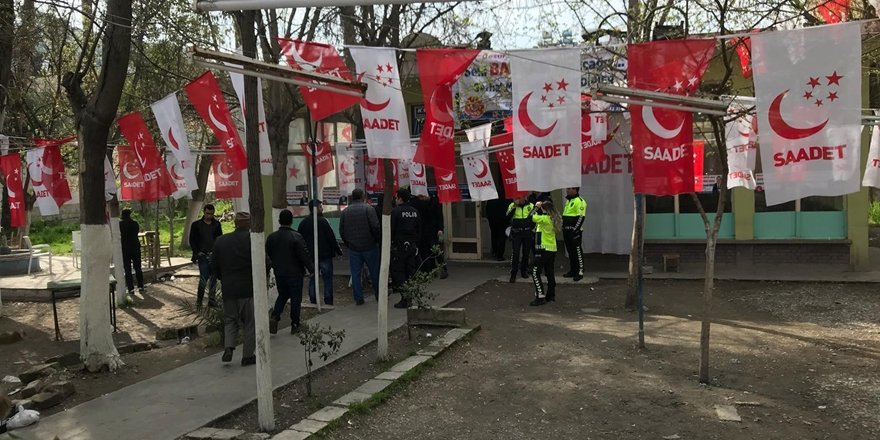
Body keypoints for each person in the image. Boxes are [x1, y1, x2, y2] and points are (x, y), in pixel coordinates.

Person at [211, 212, 256, 366]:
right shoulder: (253, 239)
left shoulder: (221, 241)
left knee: (230, 320)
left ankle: (229, 347)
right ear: (249, 224)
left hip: (228, 289)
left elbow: (214, 266)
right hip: (248, 289)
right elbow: (265, 262)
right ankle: (248, 356)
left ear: (235, 223)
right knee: (250, 323)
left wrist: (224, 279)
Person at [267, 209, 313, 334]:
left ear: (279, 221)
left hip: (279, 273)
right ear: (292, 221)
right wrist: (311, 269)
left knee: (282, 295)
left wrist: (273, 265)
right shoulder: (296, 236)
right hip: (295, 273)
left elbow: (269, 254)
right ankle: (295, 323)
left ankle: (275, 316)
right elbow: (304, 255)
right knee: (295, 298)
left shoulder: (271, 237)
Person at [339, 188, 381, 305]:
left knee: (355, 273)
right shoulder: (369, 209)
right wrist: (376, 240)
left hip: (354, 248)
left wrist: (348, 243)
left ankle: (358, 298)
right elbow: (375, 227)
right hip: (370, 246)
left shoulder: (345, 212)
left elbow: (342, 230)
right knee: (374, 272)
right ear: (363, 196)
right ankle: (379, 294)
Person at [298, 200, 342, 306]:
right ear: (316, 208)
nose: (322, 209)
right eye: (320, 207)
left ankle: (313, 298)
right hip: (325, 255)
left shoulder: (303, 223)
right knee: (327, 279)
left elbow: (300, 239)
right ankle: (328, 300)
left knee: (313, 277)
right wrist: (338, 251)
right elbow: (331, 238)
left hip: (310, 256)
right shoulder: (324, 221)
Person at [391, 187, 422, 309]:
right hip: (412, 247)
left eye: (396, 197)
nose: (395, 200)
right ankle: (410, 296)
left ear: (400, 198)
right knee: (410, 271)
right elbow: (419, 229)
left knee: (399, 272)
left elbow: (392, 229)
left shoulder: (395, 212)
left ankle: (405, 298)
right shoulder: (415, 212)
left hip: (399, 247)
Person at [190, 204, 223, 308]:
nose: (209, 216)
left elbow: (219, 238)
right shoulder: (196, 225)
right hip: (202, 255)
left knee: (213, 278)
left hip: (213, 255)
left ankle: (211, 301)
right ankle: (199, 300)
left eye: (211, 214)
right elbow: (192, 240)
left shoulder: (216, 224)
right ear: (204, 212)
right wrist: (197, 252)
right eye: (207, 213)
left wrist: (217, 252)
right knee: (204, 277)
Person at [529, 200, 562, 306]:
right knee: (549, 272)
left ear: (543, 209)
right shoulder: (553, 219)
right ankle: (551, 295)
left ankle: (540, 296)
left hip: (542, 249)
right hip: (551, 249)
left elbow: (529, 217)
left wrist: (536, 207)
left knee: (535, 272)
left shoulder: (543, 219)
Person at [410, 193, 447, 278]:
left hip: (433, 230)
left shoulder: (434, 201)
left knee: (435, 250)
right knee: (426, 251)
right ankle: (431, 270)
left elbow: (439, 216)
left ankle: (443, 269)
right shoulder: (418, 202)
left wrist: (440, 228)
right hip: (423, 230)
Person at [507, 196, 534, 283]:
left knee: (526, 253)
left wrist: (532, 230)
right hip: (516, 232)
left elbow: (534, 218)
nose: (519, 199)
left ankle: (523, 271)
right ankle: (513, 274)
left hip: (527, 232)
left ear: (524, 197)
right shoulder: (512, 205)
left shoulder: (530, 205)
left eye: (521, 197)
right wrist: (514, 206)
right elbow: (508, 216)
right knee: (516, 253)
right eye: (517, 198)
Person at [562, 187, 587, 281]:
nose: (567, 190)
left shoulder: (579, 201)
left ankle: (580, 271)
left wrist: (575, 231)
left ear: (575, 190)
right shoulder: (568, 201)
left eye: (570, 189)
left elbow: (581, 217)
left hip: (574, 232)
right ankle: (573, 270)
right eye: (567, 188)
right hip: (566, 231)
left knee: (577, 251)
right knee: (570, 252)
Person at [119, 209, 145, 297]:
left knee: (127, 269)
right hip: (135, 247)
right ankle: (141, 286)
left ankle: (130, 288)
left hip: (125, 248)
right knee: (138, 267)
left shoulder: (120, 225)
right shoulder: (135, 223)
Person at [486, 196, 510, 261]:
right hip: (503, 220)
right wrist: (507, 219)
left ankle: (495, 252)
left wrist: (489, 218)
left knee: (494, 236)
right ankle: (500, 255)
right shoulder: (506, 197)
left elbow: (487, 209)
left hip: (493, 220)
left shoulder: (491, 197)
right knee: (501, 237)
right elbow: (509, 209)